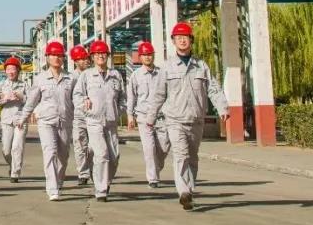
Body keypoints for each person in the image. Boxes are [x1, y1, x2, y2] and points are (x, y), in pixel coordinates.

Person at [143, 22, 229, 211]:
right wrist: (150, 117)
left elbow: (213, 88)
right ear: (173, 41)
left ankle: (189, 191)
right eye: (178, 37)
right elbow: (159, 95)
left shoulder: (201, 66)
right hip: (175, 120)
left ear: (191, 40)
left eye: (186, 37)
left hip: (196, 120)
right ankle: (183, 191)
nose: (182, 40)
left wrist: (223, 108)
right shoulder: (167, 67)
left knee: (192, 157)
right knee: (181, 155)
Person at [19, 41, 75, 201]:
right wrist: (23, 117)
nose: (56, 58)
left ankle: (58, 180)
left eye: (59, 55)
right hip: (46, 122)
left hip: (65, 121)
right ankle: (52, 188)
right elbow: (32, 101)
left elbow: (76, 100)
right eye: (53, 55)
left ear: (63, 58)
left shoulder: (71, 79)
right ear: (47, 58)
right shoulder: (40, 79)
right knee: (50, 152)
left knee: (63, 156)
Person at [73, 39, 124, 202]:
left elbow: (123, 98)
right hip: (94, 121)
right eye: (97, 54)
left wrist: (119, 112)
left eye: (103, 53)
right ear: (92, 57)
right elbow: (77, 95)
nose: (101, 56)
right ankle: (101, 190)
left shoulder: (116, 75)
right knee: (102, 155)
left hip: (111, 122)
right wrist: (84, 103)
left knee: (114, 157)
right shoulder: (86, 75)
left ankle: (105, 181)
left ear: (108, 56)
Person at [127, 40, 170, 189]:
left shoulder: (163, 74)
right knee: (149, 149)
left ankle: (156, 169)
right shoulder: (136, 76)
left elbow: (169, 94)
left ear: (153, 55)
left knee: (163, 148)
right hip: (144, 117)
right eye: (144, 55)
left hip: (161, 117)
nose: (147, 57)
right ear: (140, 57)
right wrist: (130, 116)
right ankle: (153, 179)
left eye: (149, 54)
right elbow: (131, 97)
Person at [0, 56, 29, 183]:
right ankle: (12, 165)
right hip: (6, 119)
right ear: (5, 71)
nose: (11, 72)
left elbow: (31, 101)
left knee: (17, 147)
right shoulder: (0, 85)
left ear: (18, 70)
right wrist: (5, 98)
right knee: (6, 150)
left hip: (20, 120)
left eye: (13, 69)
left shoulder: (24, 85)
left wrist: (21, 97)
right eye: (8, 69)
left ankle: (15, 173)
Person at [69, 44, 93, 186]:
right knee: (80, 145)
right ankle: (83, 173)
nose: (86, 61)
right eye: (82, 59)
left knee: (93, 146)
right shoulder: (71, 78)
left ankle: (95, 170)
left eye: (87, 58)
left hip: (93, 115)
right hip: (77, 116)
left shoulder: (93, 74)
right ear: (75, 61)